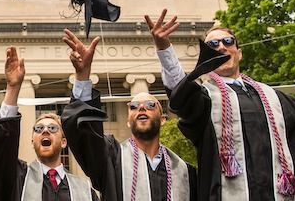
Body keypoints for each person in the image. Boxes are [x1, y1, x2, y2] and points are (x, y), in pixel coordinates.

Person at [150, 8, 295, 201]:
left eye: (228, 41)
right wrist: (164, 49)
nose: (221, 47)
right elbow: (182, 98)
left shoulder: (275, 99)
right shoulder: (204, 100)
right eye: (213, 44)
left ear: (239, 53)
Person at [60, 29, 197, 201]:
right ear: (128, 121)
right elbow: (82, 134)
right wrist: (82, 76)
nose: (141, 109)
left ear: (163, 120)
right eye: (133, 106)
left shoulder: (184, 171)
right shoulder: (110, 159)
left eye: (149, 105)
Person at [0, 47, 99, 201]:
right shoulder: (17, 179)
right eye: (38, 129)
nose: (45, 131)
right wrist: (12, 89)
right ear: (32, 141)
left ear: (64, 142)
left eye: (52, 128)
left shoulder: (83, 189)